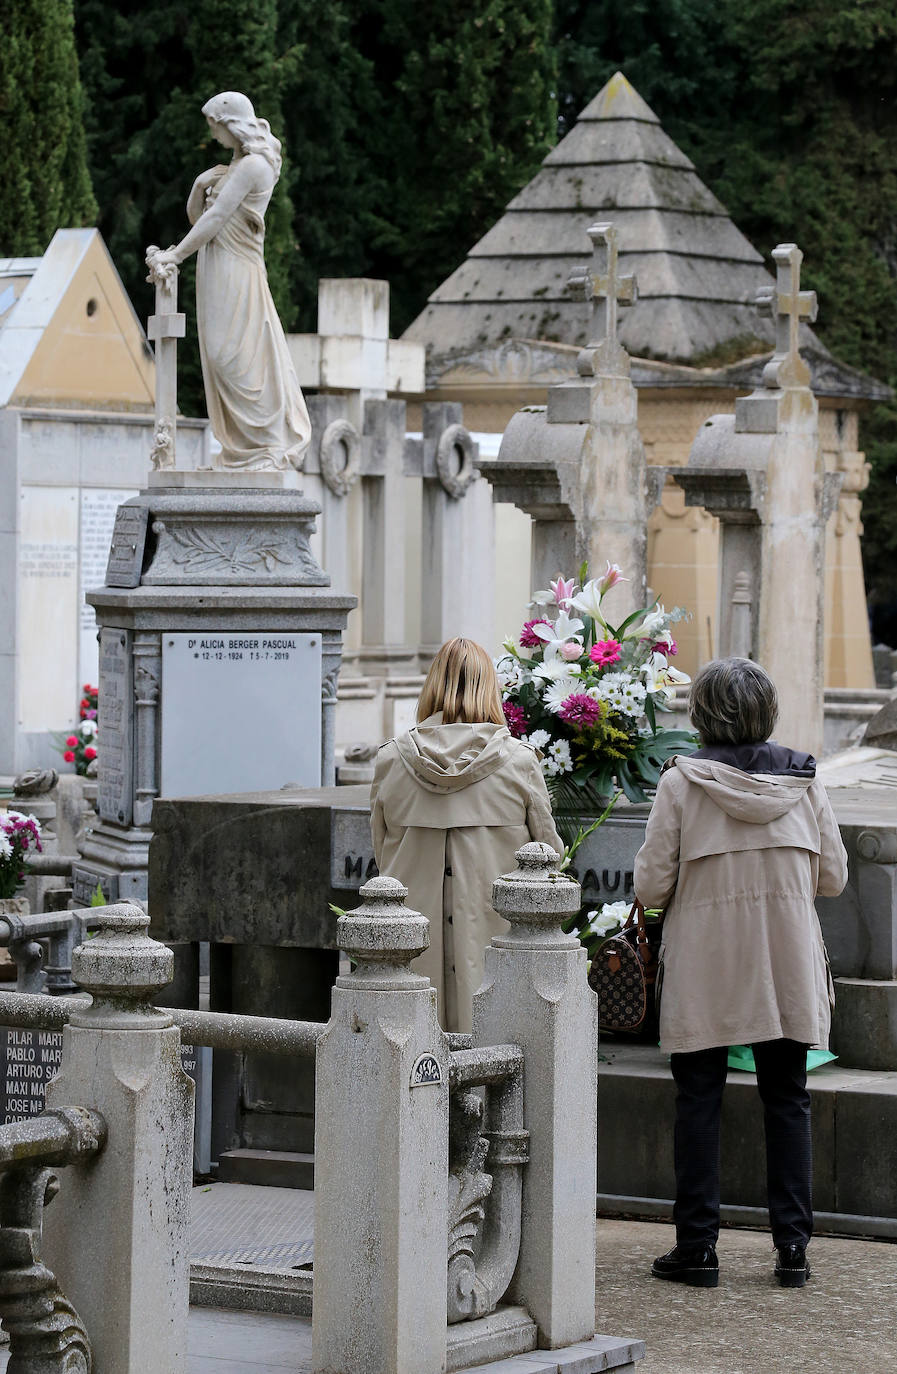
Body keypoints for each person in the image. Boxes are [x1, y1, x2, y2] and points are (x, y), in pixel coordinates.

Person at [633, 657, 847, 1289]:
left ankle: (697, 1249)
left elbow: (649, 885)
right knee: (788, 1099)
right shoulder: (805, 781)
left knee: (697, 1100)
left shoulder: (681, 783)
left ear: (701, 715)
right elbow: (832, 878)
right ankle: (793, 1250)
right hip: (784, 960)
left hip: (705, 960)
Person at [370, 638, 563, 1033]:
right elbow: (548, 862)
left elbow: (382, 857)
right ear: (489, 687)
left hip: (408, 953)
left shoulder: (391, 761)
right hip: (498, 947)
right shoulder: (519, 763)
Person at [147, 91, 310, 470]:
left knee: (231, 356)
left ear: (232, 123)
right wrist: (199, 184)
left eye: (214, 125)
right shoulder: (234, 165)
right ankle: (240, 450)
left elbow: (217, 218)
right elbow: (197, 218)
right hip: (215, 263)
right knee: (218, 355)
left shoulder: (254, 166)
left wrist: (174, 255)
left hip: (238, 268)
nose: (212, 133)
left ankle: (266, 446)